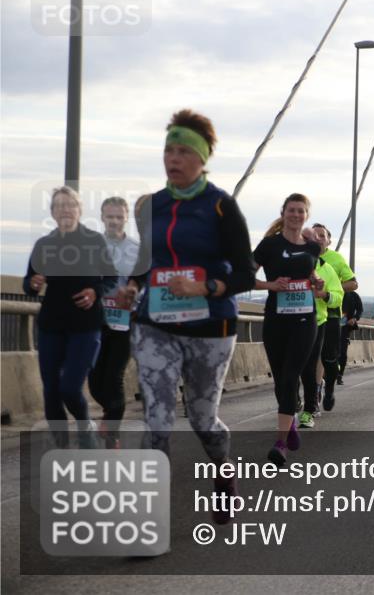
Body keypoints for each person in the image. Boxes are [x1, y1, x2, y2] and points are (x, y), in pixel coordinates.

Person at [121, 109, 255, 525]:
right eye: (168, 150)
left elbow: (247, 272)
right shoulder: (152, 206)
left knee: (201, 418)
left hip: (210, 324)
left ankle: (224, 474)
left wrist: (206, 287)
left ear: (202, 158)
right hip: (155, 324)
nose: (172, 159)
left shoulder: (220, 206)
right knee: (157, 419)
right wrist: (132, 285)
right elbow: (150, 260)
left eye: (182, 151)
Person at [24, 186, 116, 448]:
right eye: (59, 205)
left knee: (69, 388)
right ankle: (62, 449)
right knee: (51, 392)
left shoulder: (94, 241)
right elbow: (27, 284)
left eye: (70, 205)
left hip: (85, 326)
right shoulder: (44, 245)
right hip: (51, 325)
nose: (65, 209)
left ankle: (84, 422)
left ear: (79, 210)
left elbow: (110, 279)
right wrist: (33, 283)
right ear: (52, 212)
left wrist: (94, 291)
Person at [253, 193, 323, 466]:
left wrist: (317, 284)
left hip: (305, 321)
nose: (296, 215)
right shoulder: (269, 245)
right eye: (291, 210)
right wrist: (271, 286)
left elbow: (312, 276)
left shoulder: (312, 248)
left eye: (301, 211)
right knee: (281, 378)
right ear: (283, 213)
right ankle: (290, 423)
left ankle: (280, 443)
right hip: (276, 321)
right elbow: (246, 275)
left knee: (291, 375)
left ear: (306, 214)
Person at [89, 195, 140, 447]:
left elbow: (145, 284)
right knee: (96, 381)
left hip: (125, 321)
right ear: (102, 217)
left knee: (114, 377)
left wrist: (134, 300)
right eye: (110, 217)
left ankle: (113, 435)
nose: (114, 221)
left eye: (119, 217)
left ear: (126, 218)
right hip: (95, 321)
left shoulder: (137, 250)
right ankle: (110, 416)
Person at [312, 223, 358, 410]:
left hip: (330, 313)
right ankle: (313, 391)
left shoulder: (336, 259)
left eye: (322, 236)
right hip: (307, 313)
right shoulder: (301, 258)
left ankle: (328, 387)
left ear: (329, 240)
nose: (318, 239)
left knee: (329, 358)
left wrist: (333, 286)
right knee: (310, 355)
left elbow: (353, 284)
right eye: (313, 235)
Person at [297, 249, 342, 428]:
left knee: (321, 362)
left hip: (320, 320)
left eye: (320, 237)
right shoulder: (291, 264)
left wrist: (324, 294)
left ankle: (315, 401)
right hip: (290, 321)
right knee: (295, 365)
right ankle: (298, 399)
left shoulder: (329, 266)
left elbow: (345, 291)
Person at [337, 289, 364, 382]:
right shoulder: (332, 289)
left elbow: (360, 309)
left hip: (345, 327)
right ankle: (329, 374)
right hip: (330, 325)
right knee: (330, 351)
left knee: (342, 352)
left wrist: (354, 318)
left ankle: (340, 374)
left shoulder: (353, 295)